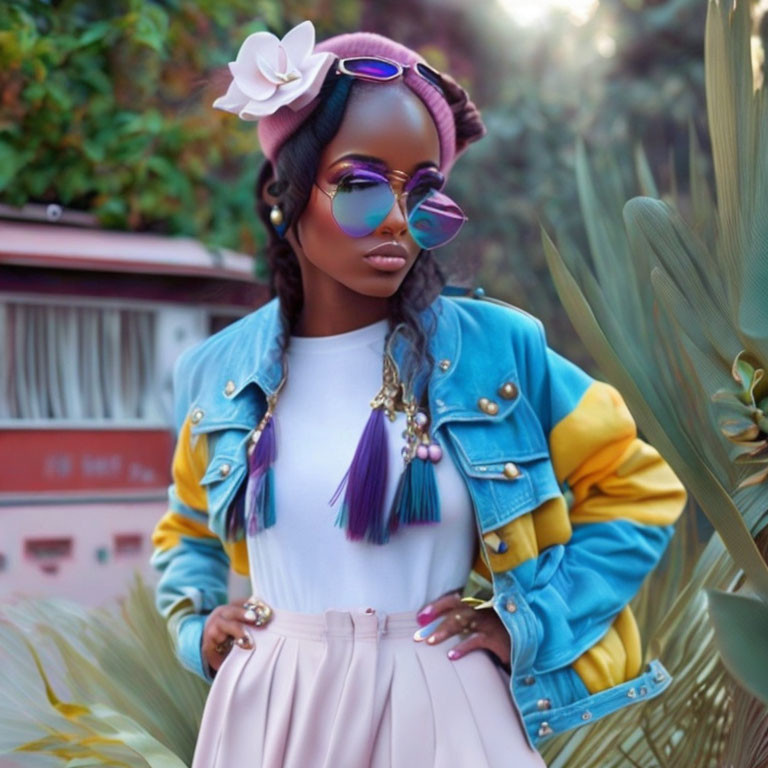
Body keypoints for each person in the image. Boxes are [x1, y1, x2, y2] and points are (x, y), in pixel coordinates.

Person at [150, 20, 687, 767]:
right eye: (361, 187)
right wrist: (198, 628)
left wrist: (526, 622)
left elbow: (640, 488)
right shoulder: (219, 372)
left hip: (443, 704)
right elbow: (185, 529)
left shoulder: (497, 353)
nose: (399, 221)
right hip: (271, 709)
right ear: (285, 193)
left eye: (425, 193)